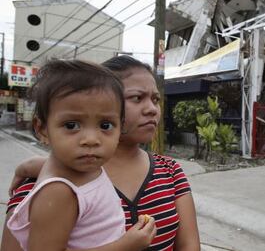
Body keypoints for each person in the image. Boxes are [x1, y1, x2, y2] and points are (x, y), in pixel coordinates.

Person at [1, 55, 200, 251]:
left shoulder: (169, 171)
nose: (152, 109)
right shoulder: (47, 187)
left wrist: (26, 166)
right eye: (137, 98)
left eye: (155, 99)